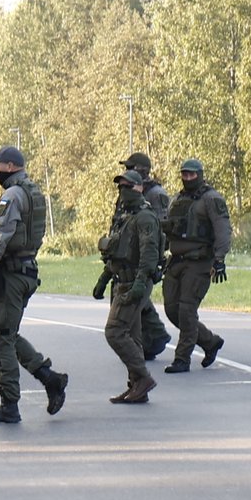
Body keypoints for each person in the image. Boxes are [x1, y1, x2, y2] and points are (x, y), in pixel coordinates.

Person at [0, 145, 68, 424]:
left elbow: (1, 235)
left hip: (11, 275)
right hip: (25, 270)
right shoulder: (31, 191)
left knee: (0, 340)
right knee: (9, 334)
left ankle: (10, 406)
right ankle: (51, 379)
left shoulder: (12, 195)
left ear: (11, 167)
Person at [94, 170, 162, 403]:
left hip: (134, 282)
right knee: (133, 335)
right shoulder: (126, 217)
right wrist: (104, 279)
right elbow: (117, 252)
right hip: (121, 279)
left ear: (140, 188)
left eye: (128, 186)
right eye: (120, 187)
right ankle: (136, 386)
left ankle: (143, 378)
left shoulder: (145, 218)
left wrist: (140, 284)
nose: (123, 191)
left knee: (114, 331)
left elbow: (149, 254)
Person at [161, 158, 231, 373]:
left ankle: (182, 359)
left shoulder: (211, 199)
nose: (188, 178)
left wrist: (219, 259)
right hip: (176, 260)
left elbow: (223, 229)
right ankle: (210, 342)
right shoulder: (178, 200)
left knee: (186, 311)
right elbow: (169, 229)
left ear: (200, 175)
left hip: (199, 262)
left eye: (192, 174)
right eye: (185, 174)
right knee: (172, 310)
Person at [116, 152, 172, 360]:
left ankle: (142, 347)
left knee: (132, 302)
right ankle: (154, 337)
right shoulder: (129, 191)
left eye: (130, 167)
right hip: (127, 254)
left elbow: (159, 228)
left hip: (143, 255)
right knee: (133, 302)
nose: (126, 171)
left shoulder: (155, 194)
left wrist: (152, 259)